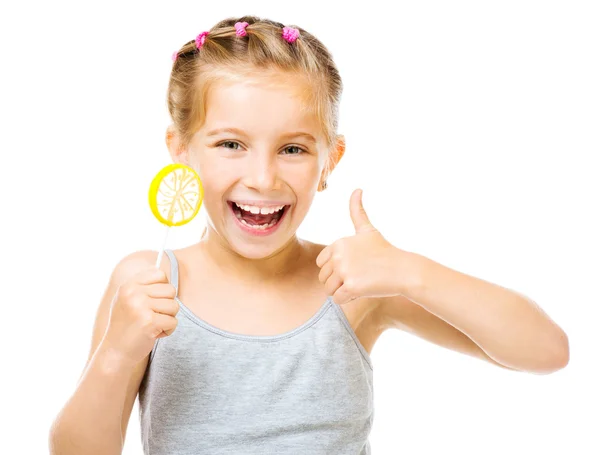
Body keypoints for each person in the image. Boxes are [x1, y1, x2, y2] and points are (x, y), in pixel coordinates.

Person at [48, 15, 569, 455]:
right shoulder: (149, 281)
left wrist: (409, 273)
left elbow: (546, 351)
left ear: (329, 161)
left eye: (292, 149)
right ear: (181, 148)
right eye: (231, 144)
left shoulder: (354, 288)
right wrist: (118, 351)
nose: (262, 177)